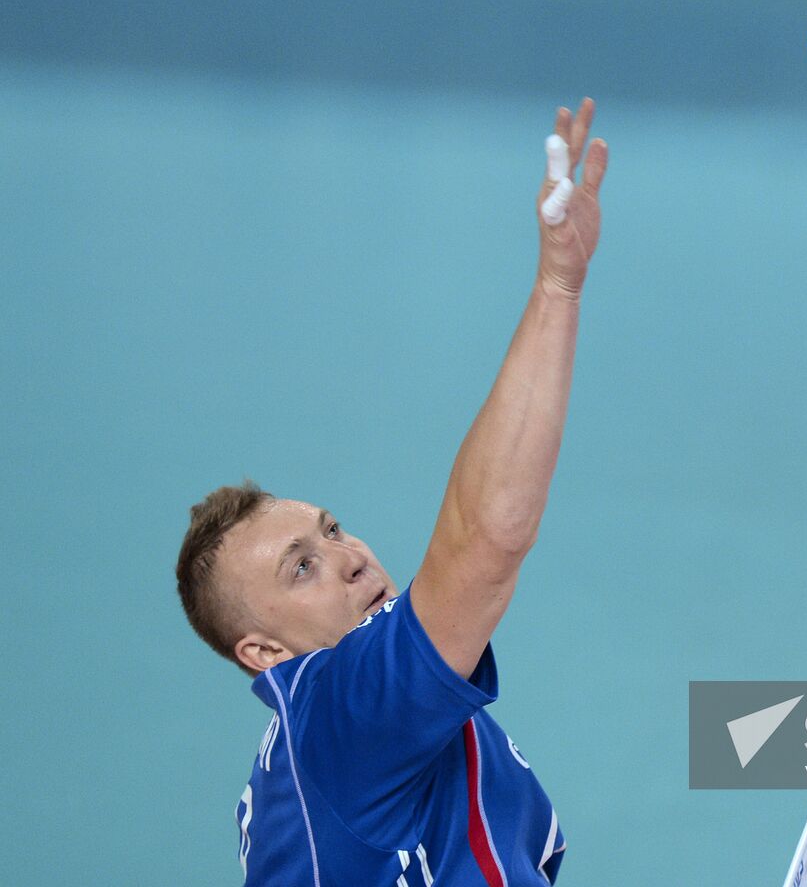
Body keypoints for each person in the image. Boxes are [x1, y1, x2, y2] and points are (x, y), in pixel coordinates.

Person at [175, 99, 608, 886]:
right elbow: (486, 540)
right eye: (300, 567)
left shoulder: (412, 735)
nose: (347, 557)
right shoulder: (338, 719)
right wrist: (556, 288)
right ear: (265, 653)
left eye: (333, 531)